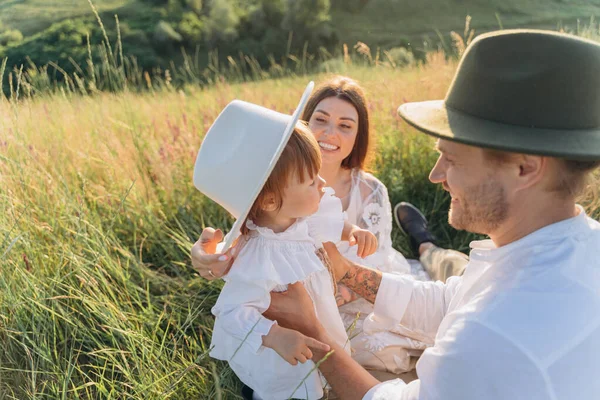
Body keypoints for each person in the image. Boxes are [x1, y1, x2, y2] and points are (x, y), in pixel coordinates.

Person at [260, 29, 600, 399]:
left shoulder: (488, 340)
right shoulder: (576, 245)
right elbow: (453, 300)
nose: (435, 175)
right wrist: (350, 273)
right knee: (448, 266)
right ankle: (427, 247)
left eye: (450, 159)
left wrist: (315, 334)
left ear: (525, 169)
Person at [192, 76, 469, 375]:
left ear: (357, 137)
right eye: (320, 119)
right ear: (304, 124)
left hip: (356, 289)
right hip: (315, 306)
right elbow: (244, 250)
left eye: (345, 125)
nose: (329, 132)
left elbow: (372, 254)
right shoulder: (267, 192)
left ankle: (425, 243)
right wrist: (212, 256)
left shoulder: (367, 191)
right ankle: (425, 244)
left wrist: (345, 276)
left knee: (446, 304)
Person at [193, 88, 377, 400]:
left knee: (321, 369)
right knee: (288, 384)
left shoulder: (302, 216)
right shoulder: (256, 256)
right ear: (268, 200)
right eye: (309, 182)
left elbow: (333, 223)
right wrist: (274, 335)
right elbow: (232, 311)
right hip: (283, 345)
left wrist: (353, 232)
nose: (321, 184)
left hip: (317, 318)